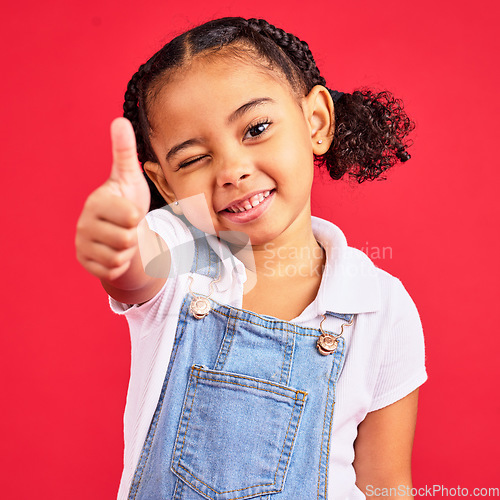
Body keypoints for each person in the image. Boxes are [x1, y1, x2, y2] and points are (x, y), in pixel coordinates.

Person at [75, 17, 427, 500]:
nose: (232, 170)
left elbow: (387, 485)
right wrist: (116, 243)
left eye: (256, 129)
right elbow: (135, 269)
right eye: (193, 158)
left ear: (316, 122)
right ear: (164, 186)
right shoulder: (182, 249)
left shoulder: (379, 304)